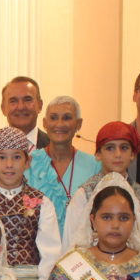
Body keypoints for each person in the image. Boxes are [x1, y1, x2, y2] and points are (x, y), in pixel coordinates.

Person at [0, 127, 61, 280]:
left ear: (27, 162)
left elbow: (51, 256)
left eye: (16, 157)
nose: (9, 165)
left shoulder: (42, 203)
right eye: (1, 157)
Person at [63, 121, 140, 257]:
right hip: (91, 273)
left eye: (124, 148)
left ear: (132, 154)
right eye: (110, 148)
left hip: (135, 274)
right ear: (98, 154)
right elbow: (71, 244)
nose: (117, 154)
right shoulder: (84, 195)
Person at [26, 96, 101, 237]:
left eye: (67, 118)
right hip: (38, 250)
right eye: (53, 118)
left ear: (78, 124)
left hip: (81, 251)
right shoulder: (29, 163)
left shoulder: (94, 166)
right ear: (45, 123)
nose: (59, 124)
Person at [0, 77, 49, 151]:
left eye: (27, 100)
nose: (21, 107)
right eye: (13, 101)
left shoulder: (56, 147)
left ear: (40, 105)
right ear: (3, 108)